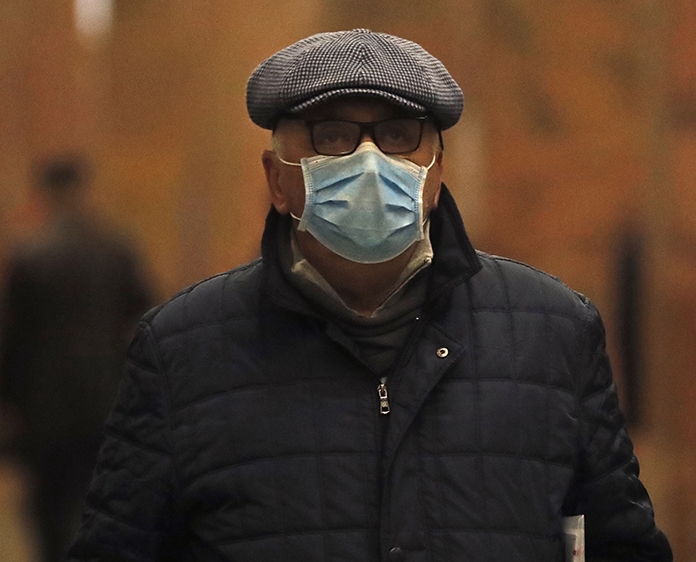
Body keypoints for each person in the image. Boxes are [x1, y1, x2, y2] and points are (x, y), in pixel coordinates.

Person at [65, 29, 673, 561]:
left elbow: (623, 543)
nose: (369, 160)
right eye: (332, 136)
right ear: (278, 179)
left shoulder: (553, 335)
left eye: (398, 133)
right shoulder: (181, 354)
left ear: (436, 171)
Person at [0, 155, 152, 562]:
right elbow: (145, 320)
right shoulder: (116, 250)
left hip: (42, 402)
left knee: (47, 503)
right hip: (104, 394)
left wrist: (3, 400)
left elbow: (10, 340)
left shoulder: (28, 256)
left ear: (44, 194)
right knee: (95, 495)